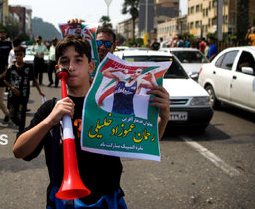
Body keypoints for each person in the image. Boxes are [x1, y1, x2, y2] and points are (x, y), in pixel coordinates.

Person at [12, 35, 170, 208]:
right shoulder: (50, 109)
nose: (71, 67)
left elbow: (147, 140)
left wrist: (164, 116)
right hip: (65, 200)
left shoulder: (108, 104)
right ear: (57, 69)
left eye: (79, 60)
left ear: (91, 66)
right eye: (65, 62)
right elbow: (19, 151)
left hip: (107, 198)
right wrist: (49, 120)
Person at [4, 47, 44, 133]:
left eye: (20, 55)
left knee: (22, 114)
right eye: (17, 55)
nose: (18, 57)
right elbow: (5, 80)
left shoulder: (28, 67)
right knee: (12, 115)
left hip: (24, 95)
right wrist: (12, 88)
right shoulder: (11, 68)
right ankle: (20, 126)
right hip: (12, 95)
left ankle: (21, 131)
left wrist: (40, 91)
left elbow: (34, 80)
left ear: (24, 55)